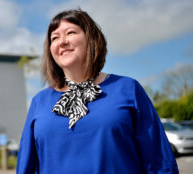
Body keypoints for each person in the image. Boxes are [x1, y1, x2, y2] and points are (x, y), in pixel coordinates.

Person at [16, 9, 178, 174]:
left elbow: (159, 161)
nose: (62, 42)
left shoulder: (128, 89)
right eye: (54, 38)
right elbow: (25, 167)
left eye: (70, 32)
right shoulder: (39, 102)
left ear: (91, 39)